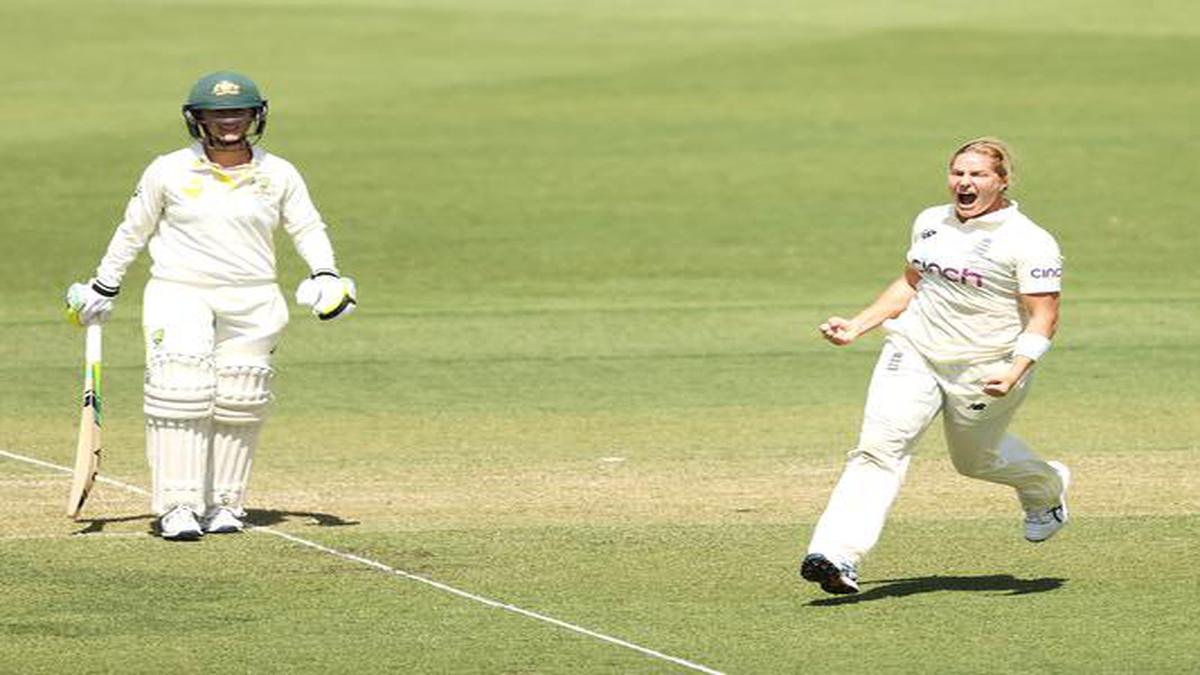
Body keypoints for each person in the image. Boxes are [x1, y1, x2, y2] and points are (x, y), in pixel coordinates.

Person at [65, 71, 357, 540]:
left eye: (238, 112)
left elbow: (307, 227)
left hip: (255, 294)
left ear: (255, 115)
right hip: (181, 290)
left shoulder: (278, 172)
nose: (228, 122)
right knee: (181, 390)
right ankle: (177, 506)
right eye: (216, 114)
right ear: (197, 119)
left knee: (242, 396)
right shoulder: (168, 169)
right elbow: (133, 230)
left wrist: (326, 275)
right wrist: (103, 286)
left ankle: (225, 504)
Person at [800, 138, 1068, 594]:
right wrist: (858, 324)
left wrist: (1016, 368)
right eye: (958, 173)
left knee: (975, 461)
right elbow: (911, 283)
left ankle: (1047, 490)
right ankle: (836, 554)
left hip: (987, 369)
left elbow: (1045, 316)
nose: (965, 183)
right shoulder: (930, 221)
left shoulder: (1029, 241)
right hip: (915, 350)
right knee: (877, 449)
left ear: (1002, 182)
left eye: (978, 175)